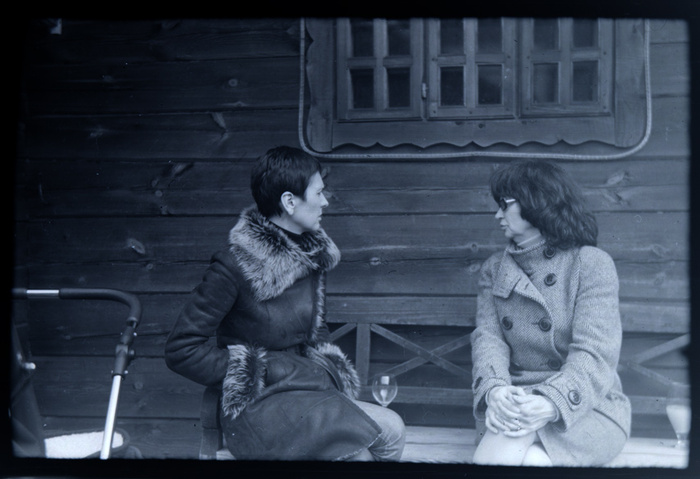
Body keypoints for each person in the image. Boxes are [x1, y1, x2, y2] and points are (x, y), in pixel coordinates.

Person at [164, 146, 405, 461]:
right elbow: (181, 350)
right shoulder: (234, 266)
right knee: (363, 452)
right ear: (290, 202)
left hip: (305, 392)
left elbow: (315, 331)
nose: (325, 201)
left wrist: (323, 368)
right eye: (318, 193)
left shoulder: (310, 258)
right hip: (259, 406)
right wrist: (257, 368)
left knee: (393, 429)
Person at [470, 160, 631, 466]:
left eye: (504, 205)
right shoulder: (494, 269)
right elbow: (488, 339)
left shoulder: (591, 263)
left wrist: (551, 402)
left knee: (514, 443)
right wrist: (495, 391)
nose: (497, 215)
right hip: (514, 403)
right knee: (533, 460)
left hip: (587, 406)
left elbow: (595, 352)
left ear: (535, 201)